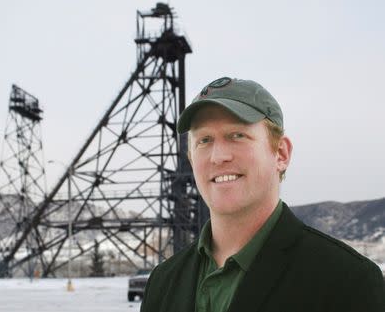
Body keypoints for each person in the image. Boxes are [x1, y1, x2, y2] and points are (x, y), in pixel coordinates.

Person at [140, 77, 385, 312]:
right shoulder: (162, 283)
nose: (218, 156)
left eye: (237, 135)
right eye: (204, 140)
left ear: (280, 153)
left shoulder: (348, 281)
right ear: (191, 159)